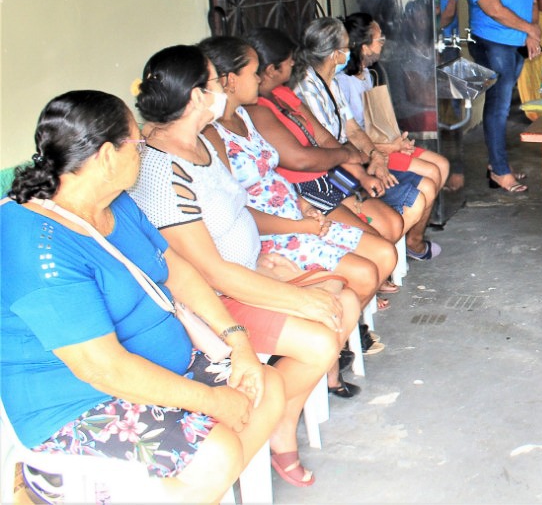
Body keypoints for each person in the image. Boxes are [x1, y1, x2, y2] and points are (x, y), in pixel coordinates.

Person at [1, 90, 284, 502]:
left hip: (156, 367)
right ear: (107, 156)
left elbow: (178, 271)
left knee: (265, 385)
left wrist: (237, 341)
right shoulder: (36, 245)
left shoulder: (118, 203)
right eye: (137, 143)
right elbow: (104, 371)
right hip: (76, 403)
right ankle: (55, 486)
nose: (144, 150)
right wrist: (213, 402)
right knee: (215, 453)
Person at [130, 45, 366, 489]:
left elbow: (237, 211)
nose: (224, 88)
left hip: (249, 270)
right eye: (215, 82)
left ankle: (284, 415)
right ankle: (278, 426)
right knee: (320, 336)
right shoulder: (162, 171)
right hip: (212, 301)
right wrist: (295, 295)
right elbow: (210, 272)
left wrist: (261, 257)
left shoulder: (201, 142)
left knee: (346, 301)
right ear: (197, 96)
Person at [242, 26, 408, 249]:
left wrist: (361, 173)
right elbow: (301, 159)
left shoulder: (283, 94)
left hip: (328, 174)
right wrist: (348, 154)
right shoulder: (259, 109)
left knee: (392, 223)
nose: (293, 64)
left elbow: (323, 137)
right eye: (289, 60)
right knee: (378, 242)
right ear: (272, 69)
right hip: (303, 187)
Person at [293, 18, 442, 260]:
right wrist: (366, 168)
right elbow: (329, 147)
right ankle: (379, 258)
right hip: (334, 172)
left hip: (353, 160)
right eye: (345, 46)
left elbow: (352, 129)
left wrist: (376, 156)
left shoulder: (330, 83)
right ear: (334, 54)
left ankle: (391, 254)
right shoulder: (307, 89)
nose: (349, 51)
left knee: (426, 183)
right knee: (415, 196)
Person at [462, 0, 542, 194]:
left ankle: (496, 164)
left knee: (504, 107)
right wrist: (530, 30)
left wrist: (532, 30)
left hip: (516, 42)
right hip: (494, 42)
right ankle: (499, 170)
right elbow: (493, 10)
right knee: (498, 108)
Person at [340, 13, 452, 209]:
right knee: (431, 172)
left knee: (442, 165)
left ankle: (415, 233)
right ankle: (414, 236)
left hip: (382, 143)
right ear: (364, 47)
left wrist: (398, 140)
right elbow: (348, 138)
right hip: (368, 150)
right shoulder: (342, 82)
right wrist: (390, 147)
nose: (383, 43)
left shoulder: (367, 73)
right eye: (379, 39)